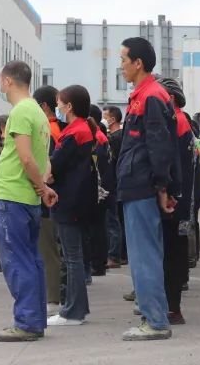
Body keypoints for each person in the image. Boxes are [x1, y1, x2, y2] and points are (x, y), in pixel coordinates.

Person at [0, 60, 58, 343]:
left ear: (8, 81)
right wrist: (42, 187)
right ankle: (35, 319)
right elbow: (44, 160)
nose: (0, 84)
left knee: (16, 261)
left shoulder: (19, 112)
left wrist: (41, 187)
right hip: (27, 198)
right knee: (31, 260)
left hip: (13, 196)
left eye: (0, 80)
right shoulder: (38, 113)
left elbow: (27, 157)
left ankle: (26, 323)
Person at [116, 37, 175, 341]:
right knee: (146, 254)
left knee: (144, 256)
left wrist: (162, 186)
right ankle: (154, 314)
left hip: (141, 184)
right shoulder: (144, 95)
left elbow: (159, 146)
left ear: (137, 63)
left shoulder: (150, 96)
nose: (121, 66)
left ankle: (155, 321)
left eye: (123, 60)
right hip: (138, 182)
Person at [46, 85, 98, 326]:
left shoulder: (74, 133)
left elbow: (54, 166)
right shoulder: (82, 129)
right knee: (73, 256)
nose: (57, 106)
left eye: (60, 103)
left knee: (72, 257)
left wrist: (48, 175)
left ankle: (73, 312)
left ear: (69, 106)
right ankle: (78, 308)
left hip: (70, 200)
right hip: (76, 199)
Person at [158, 76, 195, 327]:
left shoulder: (175, 122)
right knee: (175, 252)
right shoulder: (183, 121)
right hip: (182, 200)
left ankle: (172, 308)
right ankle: (172, 306)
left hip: (174, 200)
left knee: (170, 254)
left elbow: (170, 163)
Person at [33, 85, 64, 306]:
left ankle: (53, 298)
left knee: (48, 251)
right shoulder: (60, 128)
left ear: (43, 106)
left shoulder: (48, 131)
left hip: (48, 198)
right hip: (58, 197)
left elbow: (48, 167)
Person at [86, 104, 114, 279]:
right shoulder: (100, 135)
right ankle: (99, 262)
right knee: (99, 227)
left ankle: (97, 264)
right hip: (103, 189)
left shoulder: (96, 138)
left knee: (96, 229)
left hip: (99, 190)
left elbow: (97, 166)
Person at [103, 106, 126, 268]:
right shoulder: (113, 136)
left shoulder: (116, 138)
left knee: (114, 221)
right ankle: (121, 254)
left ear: (112, 119)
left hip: (115, 184)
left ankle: (115, 255)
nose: (103, 120)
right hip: (116, 184)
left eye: (105, 116)